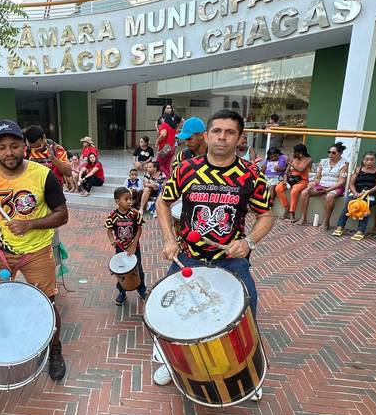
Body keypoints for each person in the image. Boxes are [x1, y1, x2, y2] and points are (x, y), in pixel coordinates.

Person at [155, 109, 275, 388]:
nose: (222, 138)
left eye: (230, 132)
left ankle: (248, 375)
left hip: (230, 261)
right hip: (187, 258)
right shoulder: (185, 169)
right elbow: (163, 202)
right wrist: (169, 238)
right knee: (174, 314)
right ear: (207, 136)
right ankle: (173, 363)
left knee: (242, 317)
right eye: (217, 132)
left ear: (240, 138)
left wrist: (249, 242)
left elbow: (266, 214)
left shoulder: (251, 174)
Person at [0, 119, 69, 381]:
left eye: (14, 145)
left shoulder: (42, 175)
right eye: (2, 147)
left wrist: (30, 223)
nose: (8, 152)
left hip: (37, 251)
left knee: (48, 303)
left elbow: (62, 215)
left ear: (24, 146)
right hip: (0, 253)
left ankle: (55, 349)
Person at [105, 187, 148, 306]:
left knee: (138, 268)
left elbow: (139, 229)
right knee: (121, 271)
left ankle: (142, 290)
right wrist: (112, 240)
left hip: (135, 248)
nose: (130, 201)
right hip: (120, 248)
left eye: (130, 199)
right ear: (117, 201)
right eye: (126, 199)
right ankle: (122, 292)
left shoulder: (134, 214)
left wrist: (134, 245)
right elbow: (109, 231)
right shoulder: (112, 215)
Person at [331, 151, 376, 240]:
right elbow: (351, 184)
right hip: (357, 192)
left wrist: (366, 193)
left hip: (372, 193)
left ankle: (361, 230)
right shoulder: (358, 169)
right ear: (363, 160)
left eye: (372, 160)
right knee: (350, 203)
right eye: (366, 160)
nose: (369, 162)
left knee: (364, 205)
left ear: (375, 160)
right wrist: (355, 193)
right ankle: (340, 226)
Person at [297, 143, 348, 227]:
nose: (330, 154)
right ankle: (303, 218)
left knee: (330, 196)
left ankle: (326, 222)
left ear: (340, 153)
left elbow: (341, 182)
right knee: (304, 192)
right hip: (322, 185)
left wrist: (328, 189)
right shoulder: (324, 162)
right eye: (329, 152)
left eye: (333, 153)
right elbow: (317, 177)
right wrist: (313, 184)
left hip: (336, 187)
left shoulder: (344, 164)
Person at [275, 144, 312, 220]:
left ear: (301, 153)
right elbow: (286, 172)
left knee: (294, 191)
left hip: (302, 180)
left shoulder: (309, 159)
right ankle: (286, 207)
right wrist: (285, 180)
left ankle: (292, 213)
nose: (294, 154)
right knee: (278, 188)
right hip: (291, 179)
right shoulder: (292, 159)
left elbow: (301, 169)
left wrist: (290, 163)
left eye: (296, 152)